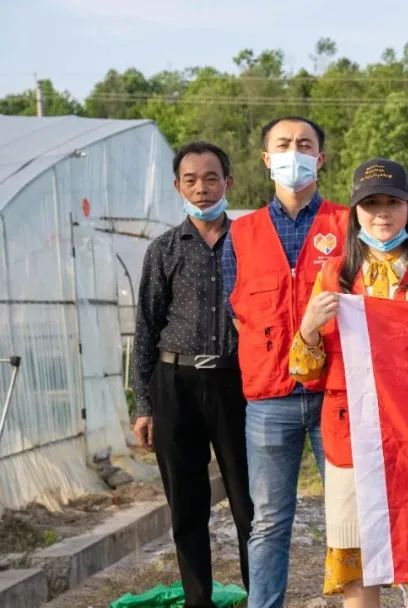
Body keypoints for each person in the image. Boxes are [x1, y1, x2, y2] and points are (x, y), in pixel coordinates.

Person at [289, 158, 408, 608]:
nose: (382, 213)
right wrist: (309, 327)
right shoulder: (333, 276)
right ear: (355, 212)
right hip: (351, 431)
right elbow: (305, 371)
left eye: (392, 202)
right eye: (371, 204)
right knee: (357, 560)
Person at [221, 116, 350, 608]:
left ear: (320, 158)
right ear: (266, 158)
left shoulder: (347, 224)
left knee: (348, 516)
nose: (293, 152)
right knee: (270, 521)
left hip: (334, 393)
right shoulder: (242, 232)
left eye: (304, 144)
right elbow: (238, 312)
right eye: (283, 144)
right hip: (269, 399)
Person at [132, 141, 253, 608]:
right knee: (186, 506)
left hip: (236, 384)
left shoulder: (249, 244)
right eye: (191, 180)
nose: (201, 188)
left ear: (228, 182)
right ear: (177, 186)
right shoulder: (164, 250)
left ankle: (261, 595)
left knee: (248, 504)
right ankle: (197, 600)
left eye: (211, 178)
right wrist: (145, 404)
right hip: (175, 384)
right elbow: (146, 327)